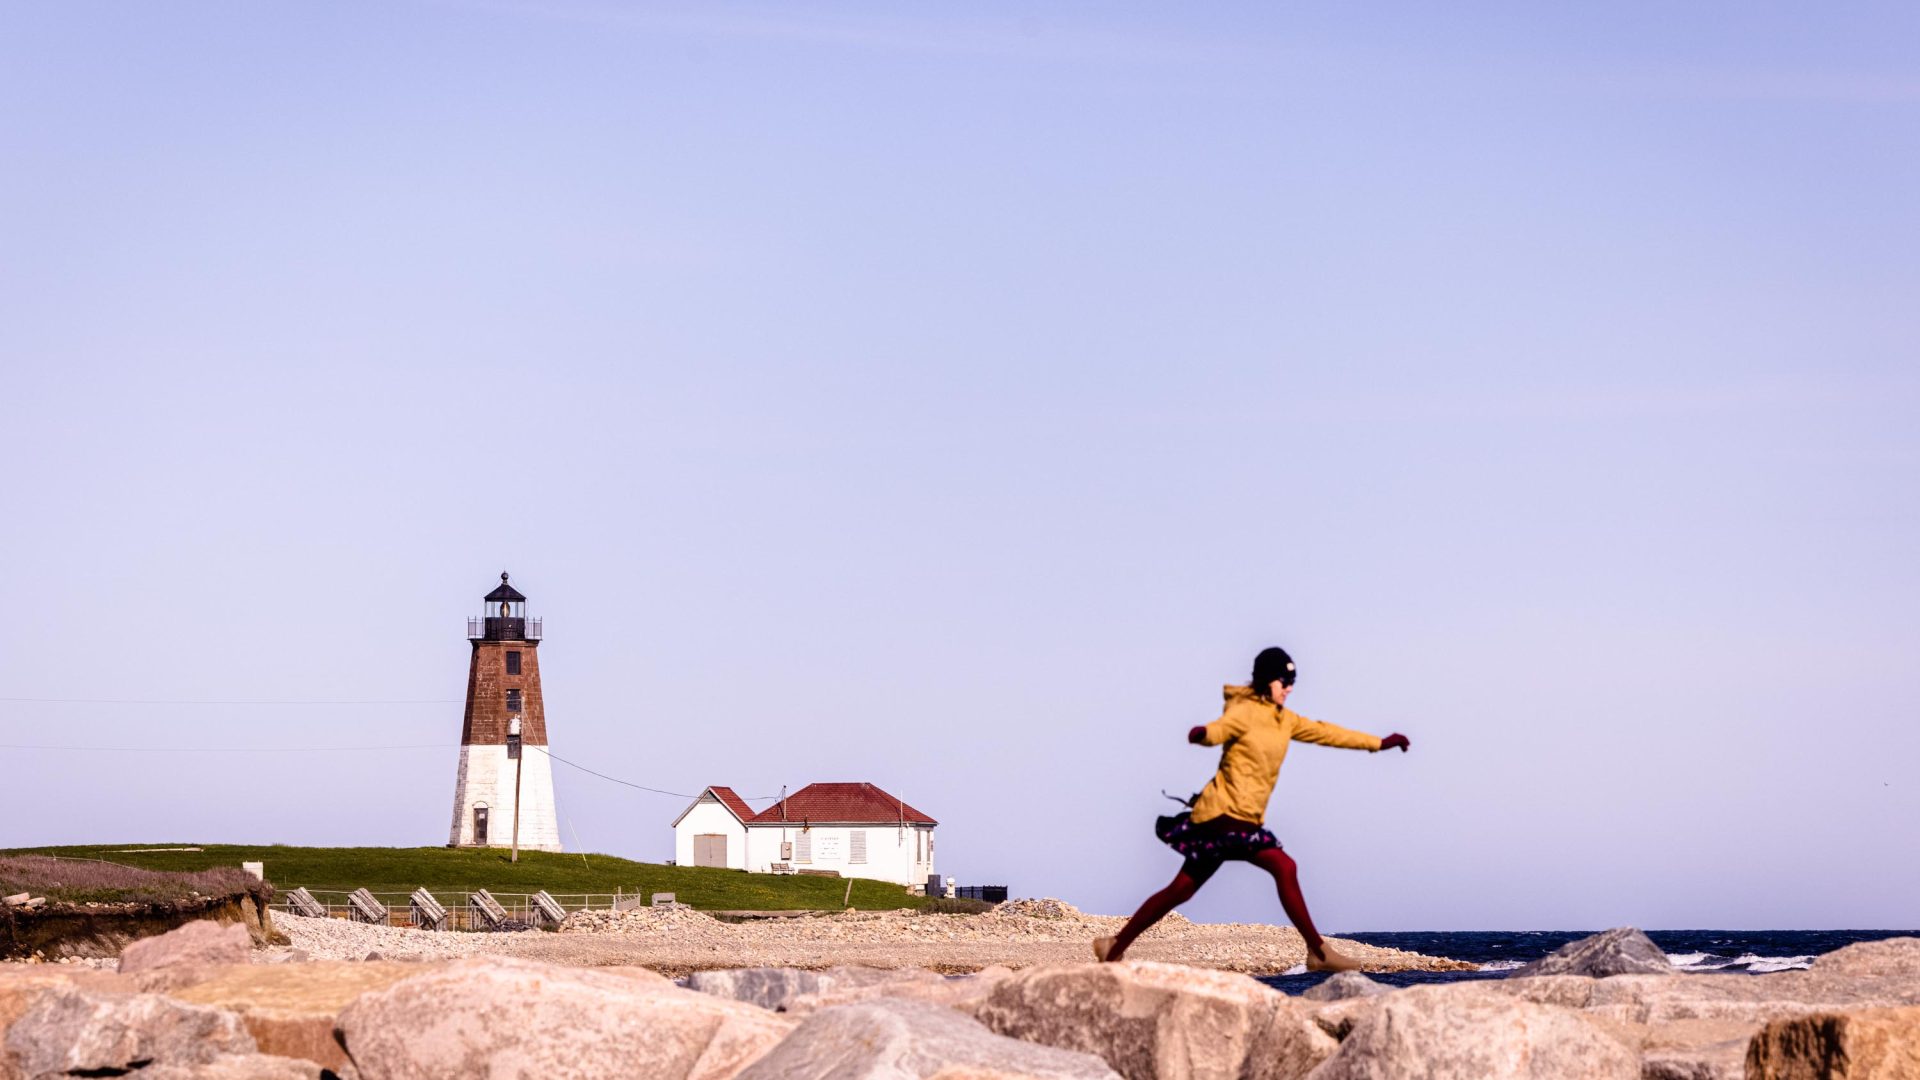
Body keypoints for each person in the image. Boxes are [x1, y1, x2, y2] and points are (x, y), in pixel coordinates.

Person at [1094, 646, 1410, 972]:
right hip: (1221, 816)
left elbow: (1330, 733)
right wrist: (1203, 735)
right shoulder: (1244, 711)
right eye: (1283, 680)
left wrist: (1381, 743)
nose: (1289, 688)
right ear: (1266, 680)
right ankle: (1318, 951)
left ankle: (1114, 946)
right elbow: (1221, 728)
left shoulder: (1286, 721)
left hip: (1242, 819)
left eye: (1292, 682)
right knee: (1284, 866)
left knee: (1181, 889)